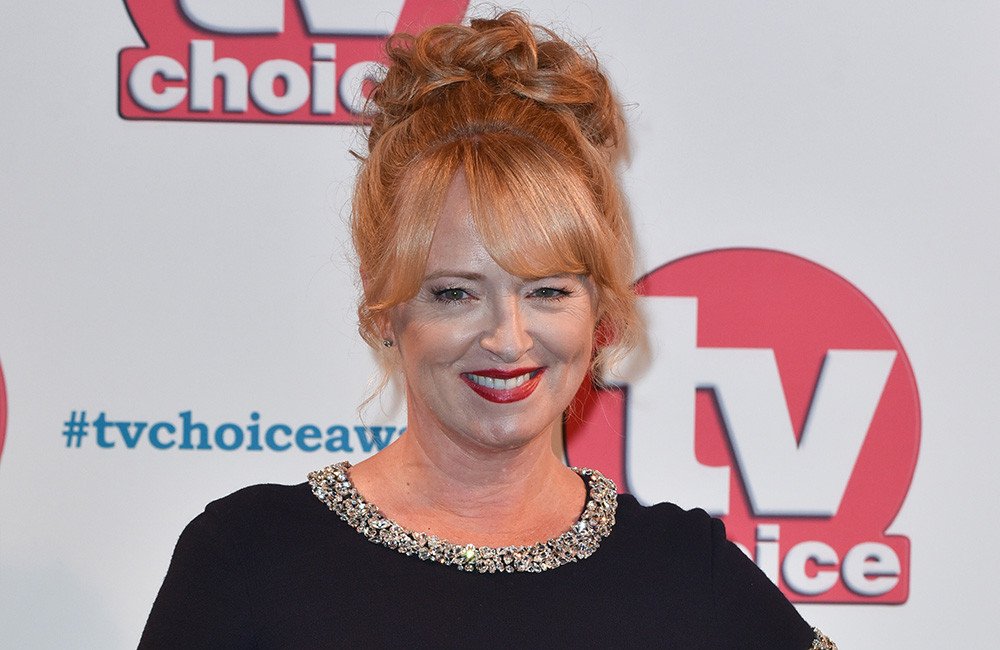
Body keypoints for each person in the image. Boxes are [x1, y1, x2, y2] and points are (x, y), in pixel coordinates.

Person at [140, 12, 837, 649]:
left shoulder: (685, 574)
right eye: (455, 294)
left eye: (547, 291)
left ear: (598, 309)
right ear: (384, 307)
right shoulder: (249, 561)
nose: (508, 339)